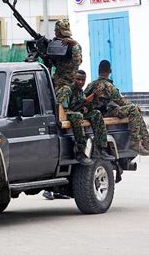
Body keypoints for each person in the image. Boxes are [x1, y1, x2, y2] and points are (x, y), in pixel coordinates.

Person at [43, 70, 110, 200]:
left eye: (82, 80)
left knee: (96, 114)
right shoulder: (66, 90)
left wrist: (89, 101)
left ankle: (100, 147)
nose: (80, 82)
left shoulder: (80, 91)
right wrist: (82, 105)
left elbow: (82, 105)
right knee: (77, 116)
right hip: (65, 115)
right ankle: (80, 150)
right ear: (74, 78)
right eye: (78, 79)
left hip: (76, 113)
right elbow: (63, 108)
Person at [85, 60, 149, 156]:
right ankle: (138, 142)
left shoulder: (91, 84)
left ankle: (146, 143)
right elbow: (120, 101)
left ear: (98, 71)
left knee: (134, 109)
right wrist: (133, 106)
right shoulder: (108, 85)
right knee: (134, 109)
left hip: (95, 113)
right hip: (104, 113)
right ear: (110, 71)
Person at [52, 20, 91, 165]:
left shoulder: (74, 46)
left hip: (67, 88)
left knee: (75, 115)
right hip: (56, 84)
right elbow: (52, 61)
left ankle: (80, 150)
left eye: (59, 33)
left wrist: (73, 45)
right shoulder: (56, 44)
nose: (58, 35)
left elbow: (77, 62)